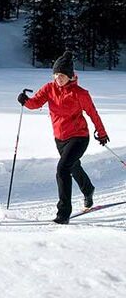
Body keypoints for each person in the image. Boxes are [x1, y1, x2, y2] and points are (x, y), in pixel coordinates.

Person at [17, 51, 109, 224]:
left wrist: (102, 133)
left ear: (70, 76)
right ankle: (88, 189)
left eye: (61, 75)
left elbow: (92, 113)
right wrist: (25, 101)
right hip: (60, 138)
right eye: (56, 75)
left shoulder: (80, 93)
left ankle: (63, 213)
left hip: (79, 137)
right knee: (73, 167)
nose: (58, 78)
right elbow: (35, 103)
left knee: (62, 169)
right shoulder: (49, 88)